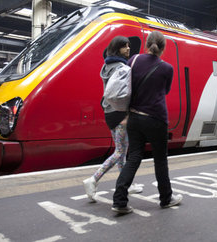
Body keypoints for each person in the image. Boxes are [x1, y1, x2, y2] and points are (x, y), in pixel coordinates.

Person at [112, 31, 182, 214]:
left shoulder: (133, 60)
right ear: (163, 48)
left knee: (134, 157)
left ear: (146, 44)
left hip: (134, 117)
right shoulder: (167, 68)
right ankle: (166, 198)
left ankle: (119, 200)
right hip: (156, 119)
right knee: (160, 160)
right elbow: (165, 91)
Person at [82, 36, 143, 202]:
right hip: (120, 113)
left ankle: (127, 184)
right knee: (120, 152)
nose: (128, 49)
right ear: (118, 49)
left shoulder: (106, 66)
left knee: (121, 151)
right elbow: (126, 92)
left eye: (129, 46)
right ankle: (93, 180)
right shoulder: (122, 67)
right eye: (125, 47)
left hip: (109, 113)